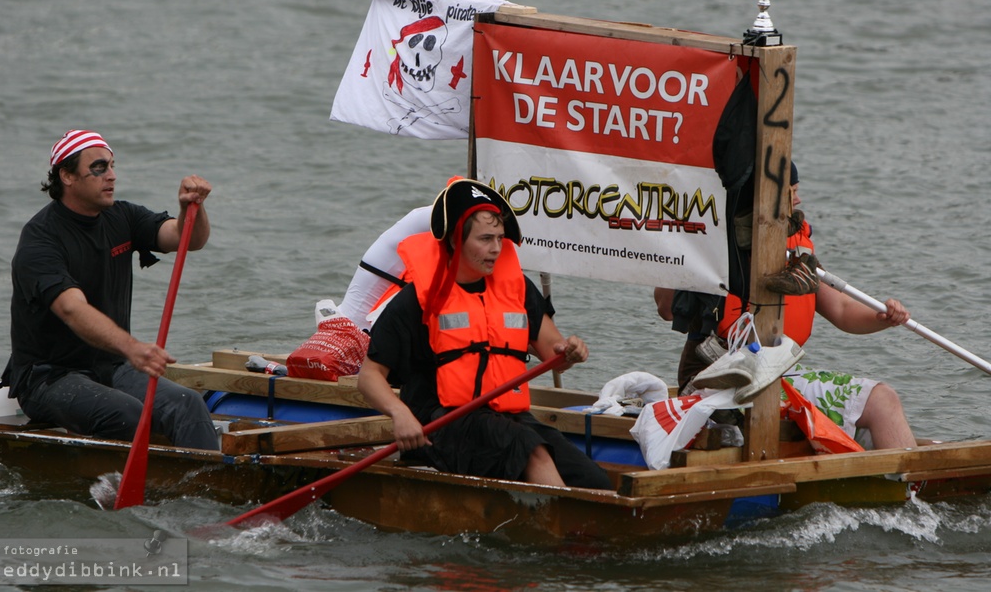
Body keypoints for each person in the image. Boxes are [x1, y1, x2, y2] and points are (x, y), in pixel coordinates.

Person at [357, 177, 612, 489]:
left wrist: (571, 351)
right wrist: (400, 414)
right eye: (485, 239)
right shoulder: (418, 299)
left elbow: (554, 354)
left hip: (506, 417)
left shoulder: (517, 288)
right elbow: (369, 376)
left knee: (593, 479)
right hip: (441, 423)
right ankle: (564, 532)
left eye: (500, 239)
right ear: (455, 240)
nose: (496, 249)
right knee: (533, 454)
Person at [655, 163, 917, 450]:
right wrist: (687, 247)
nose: (798, 199)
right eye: (791, 192)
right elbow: (667, 307)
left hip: (777, 376)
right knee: (879, 401)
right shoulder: (711, 240)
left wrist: (883, 317)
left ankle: (909, 488)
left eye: (797, 191)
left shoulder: (797, 248)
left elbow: (842, 310)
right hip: (718, 380)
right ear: (763, 197)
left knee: (883, 399)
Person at [0, 129, 218, 450]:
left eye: (113, 166)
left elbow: (187, 239)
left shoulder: (122, 216)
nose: (111, 176)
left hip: (111, 367)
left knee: (188, 404)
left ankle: (205, 491)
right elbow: (71, 308)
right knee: (126, 413)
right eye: (99, 168)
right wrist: (132, 348)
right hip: (49, 378)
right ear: (67, 176)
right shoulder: (40, 239)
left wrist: (190, 208)